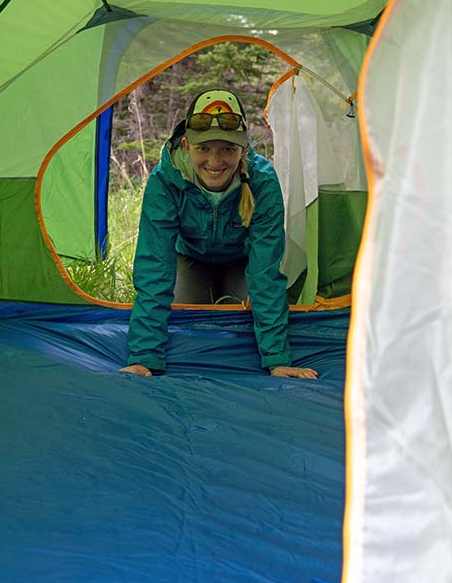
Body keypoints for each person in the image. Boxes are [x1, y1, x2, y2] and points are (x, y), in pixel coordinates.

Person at [120, 88, 317, 379]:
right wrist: (144, 358)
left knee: (244, 314)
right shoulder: (166, 180)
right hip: (189, 260)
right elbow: (155, 267)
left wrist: (277, 359)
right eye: (204, 148)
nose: (215, 161)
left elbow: (264, 271)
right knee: (183, 310)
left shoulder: (262, 182)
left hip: (241, 263)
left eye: (227, 148)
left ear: (244, 148)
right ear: (187, 145)